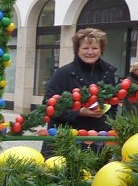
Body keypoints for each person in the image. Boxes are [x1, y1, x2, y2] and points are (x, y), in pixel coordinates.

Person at [42, 27, 118, 155]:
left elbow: (113, 106)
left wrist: (107, 122)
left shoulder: (108, 73)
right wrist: (79, 112)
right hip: (65, 141)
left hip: (97, 141)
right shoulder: (63, 74)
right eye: (85, 48)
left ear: (101, 50)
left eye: (94, 48)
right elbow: (47, 106)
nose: (90, 52)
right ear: (77, 50)